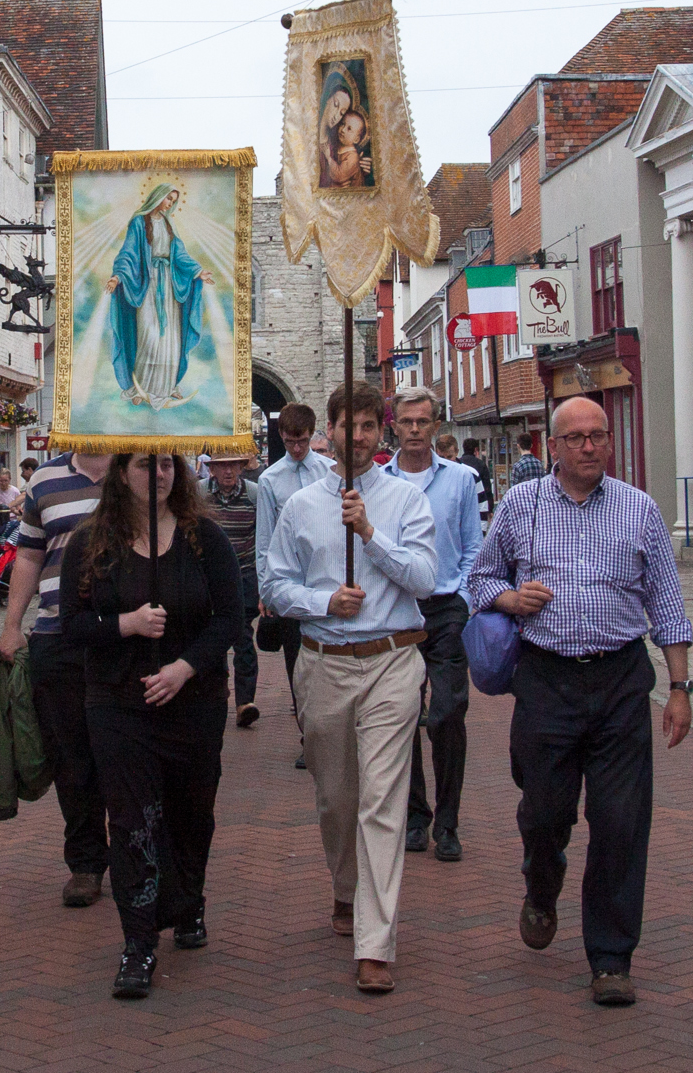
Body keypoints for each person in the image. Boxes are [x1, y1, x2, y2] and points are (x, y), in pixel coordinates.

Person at [468, 396, 693, 1008]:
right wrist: (510, 600)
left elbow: (667, 607)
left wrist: (678, 688)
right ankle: (542, 886)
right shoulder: (522, 504)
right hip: (546, 680)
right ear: (555, 445)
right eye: (576, 437)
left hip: (621, 680)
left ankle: (611, 957)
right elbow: (479, 579)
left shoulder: (640, 511)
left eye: (598, 436)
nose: (590, 446)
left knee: (621, 822)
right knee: (545, 813)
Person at [261, 380, 436, 995]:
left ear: (380, 431)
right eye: (347, 425)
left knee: (382, 800)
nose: (357, 437)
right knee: (337, 798)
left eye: (368, 426)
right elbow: (277, 586)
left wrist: (370, 534)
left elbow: (423, 578)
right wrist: (323, 601)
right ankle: (345, 888)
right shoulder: (301, 506)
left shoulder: (408, 501)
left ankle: (375, 942)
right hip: (324, 661)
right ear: (329, 432)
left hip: (393, 659)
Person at [62, 452, 242, 999]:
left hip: (194, 701)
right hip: (118, 703)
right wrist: (127, 624)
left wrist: (184, 669)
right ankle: (138, 943)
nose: (158, 473)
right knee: (133, 818)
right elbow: (71, 623)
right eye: (145, 464)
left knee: (192, 811)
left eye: (168, 464)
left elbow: (232, 619)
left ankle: (189, 904)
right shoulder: (92, 542)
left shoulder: (204, 540)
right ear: (120, 473)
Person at [2, 451, 112, 909]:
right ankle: (86, 862)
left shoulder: (139, 467)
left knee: (125, 750)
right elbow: (29, 555)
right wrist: (12, 624)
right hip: (56, 634)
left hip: (122, 633)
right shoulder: (45, 478)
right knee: (71, 756)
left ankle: (133, 852)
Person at [383, 388, 483, 862]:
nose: (416, 430)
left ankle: (449, 821)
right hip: (399, 610)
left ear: (437, 426)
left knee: (446, 714)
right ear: (395, 426)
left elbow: (473, 547)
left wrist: (463, 599)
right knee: (401, 718)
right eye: (407, 422)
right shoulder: (378, 482)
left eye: (424, 421)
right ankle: (416, 816)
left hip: (446, 609)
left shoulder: (461, 480)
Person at [256, 402, 334, 767]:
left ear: (313, 433)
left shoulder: (330, 472)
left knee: (329, 662)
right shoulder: (271, 480)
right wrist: (265, 590)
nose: (296, 449)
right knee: (297, 668)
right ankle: (309, 736)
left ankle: (333, 733)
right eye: (289, 442)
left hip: (325, 580)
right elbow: (265, 541)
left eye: (301, 441)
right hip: (290, 586)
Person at [108, 184, 213, 409]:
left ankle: (165, 387)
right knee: (148, 335)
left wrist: (197, 271)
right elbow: (128, 252)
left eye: (173, 201)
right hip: (147, 284)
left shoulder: (167, 223)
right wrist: (117, 277)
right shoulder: (139, 222)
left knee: (170, 338)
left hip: (168, 287)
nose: (170, 204)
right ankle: (141, 387)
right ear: (158, 197)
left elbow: (179, 254)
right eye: (168, 199)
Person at [201, 452, 261, 729]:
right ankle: (217, 692)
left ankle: (244, 702)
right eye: (221, 466)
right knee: (213, 636)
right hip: (210, 576)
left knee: (242, 634)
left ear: (240, 466)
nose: (228, 471)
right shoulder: (200, 496)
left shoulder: (254, 495)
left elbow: (263, 535)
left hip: (244, 574)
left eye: (232, 465)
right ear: (211, 469)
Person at [460, 437, 495, 524]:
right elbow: (487, 487)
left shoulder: (458, 464)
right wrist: (490, 509)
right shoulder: (481, 464)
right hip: (479, 505)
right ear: (476, 449)